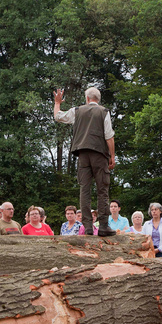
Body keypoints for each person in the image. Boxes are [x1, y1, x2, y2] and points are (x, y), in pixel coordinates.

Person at [54, 87, 116, 237]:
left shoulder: (77, 111)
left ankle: (87, 227)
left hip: (82, 155)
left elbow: (58, 117)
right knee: (102, 190)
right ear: (98, 100)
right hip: (100, 154)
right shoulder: (104, 112)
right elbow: (109, 136)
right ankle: (103, 226)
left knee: (84, 190)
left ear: (87, 98)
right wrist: (112, 156)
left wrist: (57, 103)